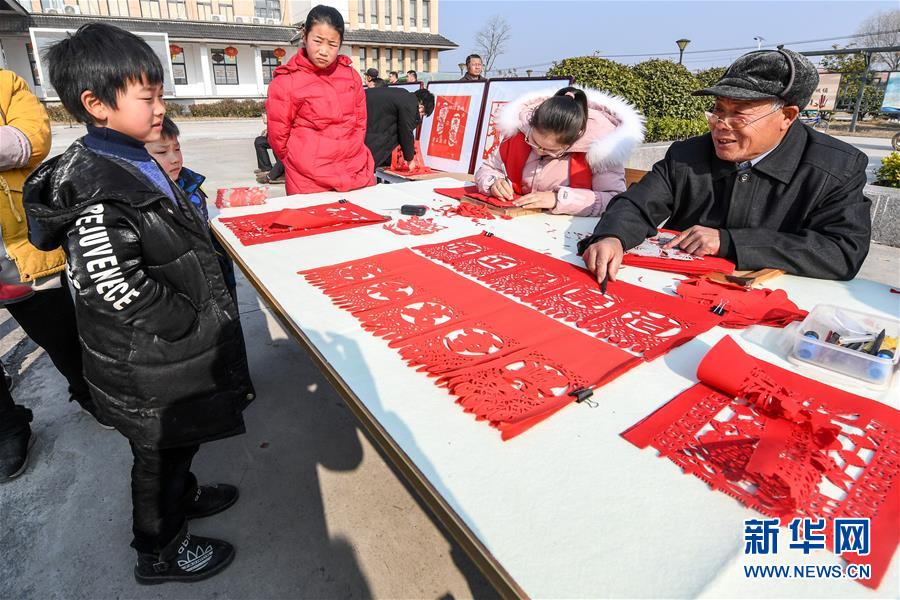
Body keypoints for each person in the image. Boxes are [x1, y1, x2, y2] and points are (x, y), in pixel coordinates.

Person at [23, 24, 254, 583]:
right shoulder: (97, 186)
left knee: (179, 444)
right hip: (147, 359)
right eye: (147, 97)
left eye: (159, 94)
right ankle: (159, 549)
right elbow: (114, 286)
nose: (160, 108)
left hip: (166, 355)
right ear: (96, 104)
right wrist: (188, 320)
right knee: (157, 456)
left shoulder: (131, 156)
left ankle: (184, 496)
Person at [579, 49, 871, 282]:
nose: (721, 125)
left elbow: (842, 252)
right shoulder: (687, 154)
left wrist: (730, 242)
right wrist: (612, 236)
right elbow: (636, 203)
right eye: (718, 110)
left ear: (787, 116)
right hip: (675, 289)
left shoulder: (837, 167)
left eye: (739, 114)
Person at [1, 68, 109, 481]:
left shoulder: (6, 84)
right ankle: (8, 427)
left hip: (18, 247)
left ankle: (88, 393)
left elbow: (30, 141)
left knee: (60, 332)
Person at [475, 86, 643, 216]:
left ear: (574, 141)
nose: (539, 151)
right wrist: (493, 182)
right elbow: (488, 168)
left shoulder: (602, 150)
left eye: (550, 150)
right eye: (534, 142)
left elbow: (614, 200)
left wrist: (560, 199)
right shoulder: (518, 133)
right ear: (531, 125)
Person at [267, 5, 375, 194]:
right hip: (308, 180)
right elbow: (278, 138)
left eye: (332, 44)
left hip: (355, 172)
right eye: (317, 41)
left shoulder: (351, 77)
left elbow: (360, 123)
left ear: (340, 44)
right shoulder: (286, 81)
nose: (324, 51)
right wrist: (299, 160)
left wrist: (352, 150)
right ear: (304, 36)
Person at [146, 117, 238, 300]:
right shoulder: (143, 199)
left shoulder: (190, 183)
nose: (175, 159)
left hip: (216, 279)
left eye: (177, 149)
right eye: (162, 152)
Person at [364, 87, 435, 168]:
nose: (420, 116)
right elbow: (406, 132)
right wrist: (410, 160)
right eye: (423, 114)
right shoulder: (410, 104)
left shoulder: (402, 95)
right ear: (421, 107)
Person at [252, 110, 284, 184]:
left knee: (277, 144)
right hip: (277, 133)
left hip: (284, 137)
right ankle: (266, 168)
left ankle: (281, 173)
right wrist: (269, 129)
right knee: (259, 141)